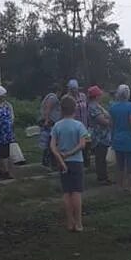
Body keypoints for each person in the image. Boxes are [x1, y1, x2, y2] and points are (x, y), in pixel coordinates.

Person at [50, 96, 89, 232]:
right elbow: (82, 144)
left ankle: (70, 222)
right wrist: (71, 153)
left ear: (61, 109)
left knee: (67, 192)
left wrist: (61, 158)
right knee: (76, 192)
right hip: (77, 162)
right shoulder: (79, 125)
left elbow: (53, 146)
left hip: (63, 163)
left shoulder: (57, 126)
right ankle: (78, 223)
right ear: (75, 109)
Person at [87, 85, 113, 185]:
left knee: (102, 156)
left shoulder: (97, 105)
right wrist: (111, 122)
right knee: (100, 157)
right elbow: (102, 121)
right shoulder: (93, 107)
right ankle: (102, 177)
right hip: (98, 136)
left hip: (103, 135)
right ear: (96, 95)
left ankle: (104, 176)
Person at [67, 79, 90, 168]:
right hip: (74, 125)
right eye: (72, 88)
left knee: (87, 144)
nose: (74, 90)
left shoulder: (83, 96)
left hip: (85, 124)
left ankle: (86, 163)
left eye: (75, 88)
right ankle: (76, 162)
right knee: (76, 144)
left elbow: (87, 107)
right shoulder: (67, 98)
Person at [39, 87, 63, 167]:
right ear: (58, 91)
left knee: (50, 143)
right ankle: (49, 162)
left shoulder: (52, 97)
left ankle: (49, 161)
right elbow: (48, 109)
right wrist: (46, 120)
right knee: (51, 143)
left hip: (52, 122)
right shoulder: (53, 98)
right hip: (50, 123)